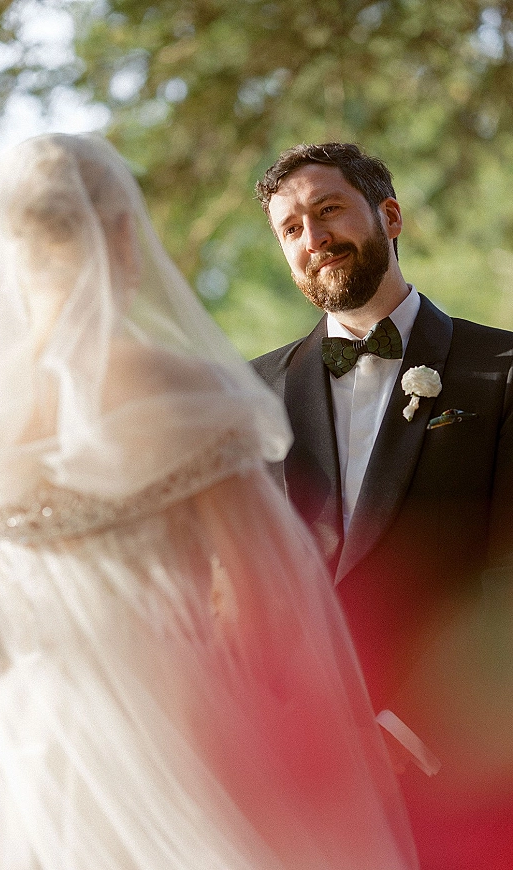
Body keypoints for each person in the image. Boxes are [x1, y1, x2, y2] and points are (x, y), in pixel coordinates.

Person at [0, 133, 418, 869]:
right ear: (123, 235)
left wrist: (43, 702)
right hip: (188, 734)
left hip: (20, 767)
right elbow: (269, 612)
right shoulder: (182, 389)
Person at [252, 141, 513, 870]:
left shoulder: (502, 373)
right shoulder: (248, 398)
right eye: (292, 228)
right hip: (295, 779)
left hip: (457, 773)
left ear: (389, 215)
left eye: (328, 210)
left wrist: (406, 730)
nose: (314, 239)